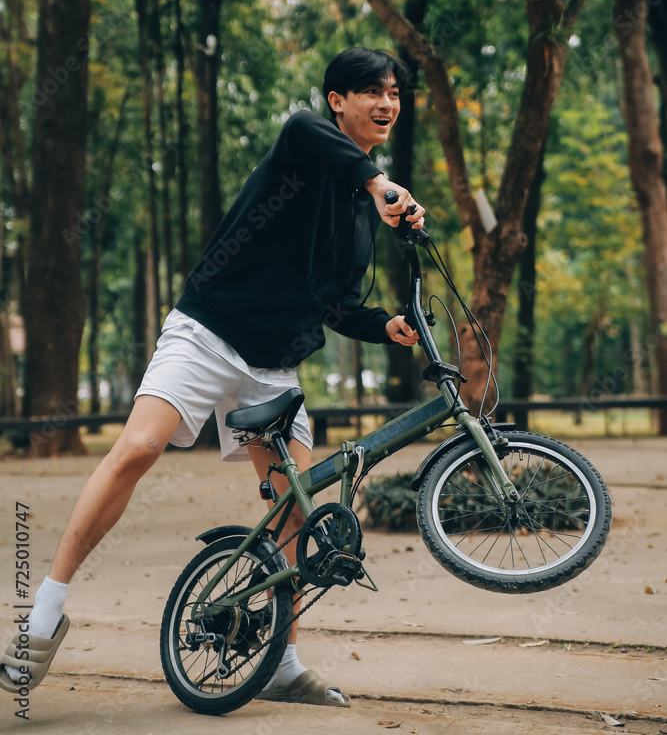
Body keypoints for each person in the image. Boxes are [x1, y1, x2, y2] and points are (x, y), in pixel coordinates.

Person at [0, 46, 425, 707]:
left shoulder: (359, 215)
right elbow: (299, 128)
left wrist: (385, 325)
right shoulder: (306, 144)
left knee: (293, 507)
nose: (386, 102)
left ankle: (281, 662)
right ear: (338, 100)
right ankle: (44, 615)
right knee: (137, 448)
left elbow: (336, 303)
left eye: (393, 92)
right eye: (370, 90)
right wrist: (376, 182)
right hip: (207, 331)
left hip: (273, 364)